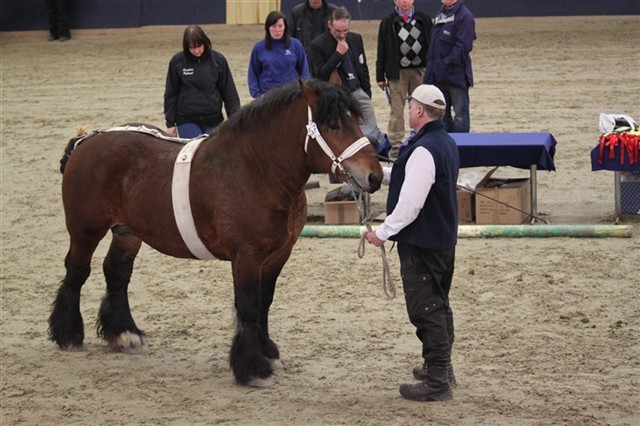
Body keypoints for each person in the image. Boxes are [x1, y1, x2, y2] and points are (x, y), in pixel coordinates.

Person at [365, 84, 459, 402]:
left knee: (426, 309)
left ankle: (437, 381)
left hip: (423, 242)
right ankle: (441, 368)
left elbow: (411, 205)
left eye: (410, 106)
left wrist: (382, 233)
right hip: (442, 240)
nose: (407, 111)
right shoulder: (443, 142)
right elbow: (414, 179)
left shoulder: (423, 149)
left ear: (419, 110)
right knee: (439, 304)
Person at [376, 0, 432, 157]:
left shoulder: (424, 18)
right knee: (397, 108)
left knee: (420, 107)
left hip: (420, 70)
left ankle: (420, 136)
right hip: (397, 72)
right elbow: (381, 49)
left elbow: (431, 43)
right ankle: (396, 143)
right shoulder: (387, 22)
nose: (404, 2)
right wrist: (380, 75)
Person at [164, 25, 241, 139]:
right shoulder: (177, 62)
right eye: (192, 48)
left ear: (205, 42)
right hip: (186, 119)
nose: (196, 51)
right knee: (196, 149)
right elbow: (171, 93)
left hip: (213, 119)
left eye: (199, 46)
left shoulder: (219, 61)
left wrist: (235, 121)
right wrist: (170, 123)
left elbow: (229, 93)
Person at [307, 6, 377, 128]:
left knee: (372, 128)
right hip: (335, 94)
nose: (342, 34)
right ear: (330, 24)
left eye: (345, 31)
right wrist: (338, 54)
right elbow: (320, 75)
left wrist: (367, 92)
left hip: (357, 91)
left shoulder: (356, 39)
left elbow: (363, 68)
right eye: (338, 31)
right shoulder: (317, 45)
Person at [424, 0, 476, 133]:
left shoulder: (465, 16)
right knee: (442, 113)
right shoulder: (441, 12)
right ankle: (448, 143)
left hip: (456, 75)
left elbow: (463, 46)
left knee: (460, 116)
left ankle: (461, 146)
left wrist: (446, 63)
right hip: (438, 75)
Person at [248, 11, 310, 99]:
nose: (277, 30)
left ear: (285, 27)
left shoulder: (296, 45)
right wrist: (257, 95)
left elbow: (304, 71)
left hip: (292, 96)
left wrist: (304, 91)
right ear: (268, 28)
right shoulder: (259, 48)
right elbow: (253, 73)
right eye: (273, 26)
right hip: (267, 97)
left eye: (280, 26)